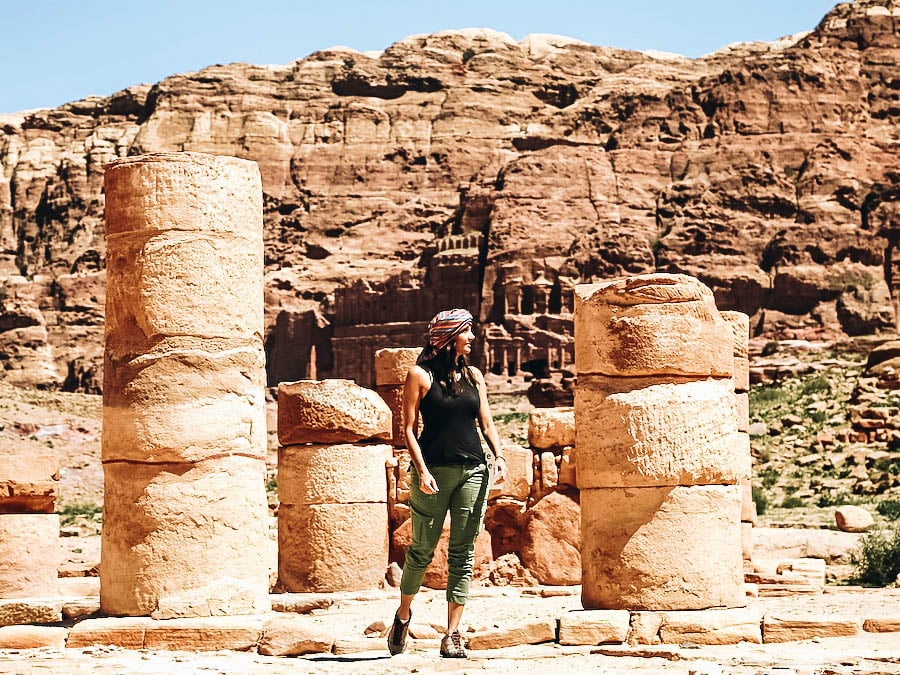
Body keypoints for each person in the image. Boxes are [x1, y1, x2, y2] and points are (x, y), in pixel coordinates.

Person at [388, 308, 507, 659]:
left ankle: (452, 634)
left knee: (463, 553)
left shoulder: (474, 375)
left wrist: (498, 457)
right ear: (449, 336)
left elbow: (486, 422)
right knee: (422, 550)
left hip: (474, 470)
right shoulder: (419, 375)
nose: (472, 338)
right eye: (467, 332)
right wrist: (422, 471)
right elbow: (408, 429)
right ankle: (403, 614)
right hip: (433, 471)